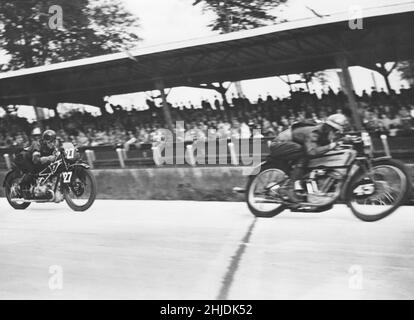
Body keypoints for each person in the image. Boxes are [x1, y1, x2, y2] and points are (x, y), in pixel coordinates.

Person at [269, 113, 348, 202]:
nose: (336, 134)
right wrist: (330, 146)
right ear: (328, 128)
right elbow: (311, 151)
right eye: (335, 131)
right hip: (278, 144)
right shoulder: (314, 133)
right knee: (303, 152)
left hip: (290, 146)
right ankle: (290, 188)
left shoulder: (323, 134)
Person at [14, 130, 59, 198]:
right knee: (32, 172)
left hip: (36, 161)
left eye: (54, 141)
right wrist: (49, 158)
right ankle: (18, 187)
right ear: (44, 141)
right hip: (26, 159)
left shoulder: (53, 148)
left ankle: (44, 186)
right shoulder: (37, 144)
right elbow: (36, 160)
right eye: (50, 142)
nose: (52, 144)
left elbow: (56, 156)